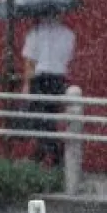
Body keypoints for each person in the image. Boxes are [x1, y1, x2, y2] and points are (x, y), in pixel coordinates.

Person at [22, 12, 76, 165]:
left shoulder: (35, 33)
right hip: (59, 79)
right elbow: (68, 58)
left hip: (40, 79)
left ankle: (53, 152)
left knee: (39, 118)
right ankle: (44, 153)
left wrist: (26, 85)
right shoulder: (69, 35)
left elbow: (30, 62)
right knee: (50, 116)